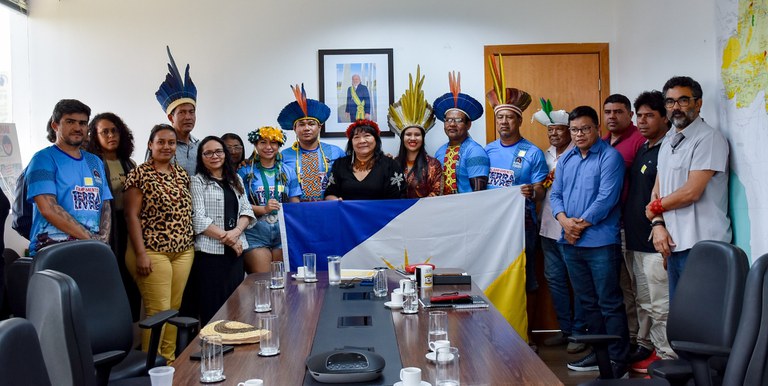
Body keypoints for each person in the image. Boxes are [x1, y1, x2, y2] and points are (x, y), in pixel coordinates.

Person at [550, 106, 629, 378]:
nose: (579, 134)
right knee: (587, 302)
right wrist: (563, 221)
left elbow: (606, 199)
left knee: (609, 302)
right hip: (570, 242)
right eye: (574, 130)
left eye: (584, 129)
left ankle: (619, 361)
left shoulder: (610, 157)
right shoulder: (568, 158)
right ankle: (599, 353)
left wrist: (577, 225)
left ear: (597, 128)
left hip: (600, 243)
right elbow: (555, 195)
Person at [646, 76, 731, 298]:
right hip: (674, 246)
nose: (676, 107)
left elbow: (691, 192)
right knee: (682, 321)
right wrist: (658, 225)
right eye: (670, 102)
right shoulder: (669, 139)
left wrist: (654, 208)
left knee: (704, 320)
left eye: (683, 100)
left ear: (698, 103)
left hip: (703, 246)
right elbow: (658, 187)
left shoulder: (708, 138)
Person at [124, 124, 194, 362]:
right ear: (150, 144)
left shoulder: (181, 174)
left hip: (183, 250)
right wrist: (141, 253)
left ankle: (170, 365)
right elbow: (130, 215)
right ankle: (151, 368)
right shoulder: (139, 174)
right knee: (158, 312)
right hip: (151, 251)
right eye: (161, 142)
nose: (166, 146)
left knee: (173, 311)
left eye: (171, 142)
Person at [624, 91, 675, 373]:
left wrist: (660, 228)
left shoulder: (668, 149)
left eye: (649, 116)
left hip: (656, 240)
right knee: (644, 302)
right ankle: (653, 349)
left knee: (661, 304)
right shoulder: (644, 147)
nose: (642, 121)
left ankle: (668, 358)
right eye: (639, 116)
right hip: (635, 240)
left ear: (664, 118)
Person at [533, 101, 586, 354]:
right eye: (550, 130)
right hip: (547, 227)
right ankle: (565, 330)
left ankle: (581, 332)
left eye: (559, 130)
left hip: (572, 229)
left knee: (577, 281)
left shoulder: (579, 153)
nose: (554, 134)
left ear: (570, 131)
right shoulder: (544, 155)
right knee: (555, 280)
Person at [26, 99, 112, 256]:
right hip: (53, 249)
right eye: (70, 122)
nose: (78, 128)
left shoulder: (95, 162)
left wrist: (102, 241)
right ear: (55, 125)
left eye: (82, 123)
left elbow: (105, 205)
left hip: (92, 248)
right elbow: (48, 208)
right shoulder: (43, 159)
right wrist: (91, 239)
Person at [188, 136, 255, 325]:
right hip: (210, 253)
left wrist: (235, 233)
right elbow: (198, 218)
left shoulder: (236, 179)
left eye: (218, 151)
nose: (214, 156)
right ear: (201, 157)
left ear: (225, 154)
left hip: (236, 252)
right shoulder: (197, 181)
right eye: (207, 153)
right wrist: (229, 238)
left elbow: (247, 210)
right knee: (213, 308)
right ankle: (214, 350)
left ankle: (234, 349)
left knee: (236, 305)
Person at [602, 94, 647, 362]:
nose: (612, 116)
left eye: (618, 111)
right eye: (607, 111)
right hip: (609, 227)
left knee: (639, 287)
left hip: (635, 225)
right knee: (621, 288)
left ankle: (644, 342)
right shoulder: (604, 142)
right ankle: (628, 339)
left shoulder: (638, 141)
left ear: (629, 114)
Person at [86, 112, 141, 321]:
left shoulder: (129, 163)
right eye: (105, 132)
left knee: (131, 278)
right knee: (110, 274)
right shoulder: (92, 163)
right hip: (106, 228)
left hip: (130, 225)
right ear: (95, 136)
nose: (111, 136)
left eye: (114, 131)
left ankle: (132, 328)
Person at [239, 126, 301, 273]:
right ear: (255, 145)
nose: (268, 147)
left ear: (279, 145)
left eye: (273, 142)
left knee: (284, 280)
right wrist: (264, 209)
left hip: (282, 233)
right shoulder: (245, 171)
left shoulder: (288, 171)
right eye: (262, 142)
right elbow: (240, 205)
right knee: (263, 280)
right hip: (255, 233)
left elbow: (294, 204)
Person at [278, 84, 345, 201]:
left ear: (319, 127)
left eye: (311, 123)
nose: (306, 128)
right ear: (294, 128)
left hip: (330, 209)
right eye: (301, 124)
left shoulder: (336, 152)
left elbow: (352, 174)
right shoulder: (283, 156)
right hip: (296, 212)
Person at [388, 66, 442, 198]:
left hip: (424, 215)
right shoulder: (393, 163)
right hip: (396, 216)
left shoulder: (433, 164)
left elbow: (437, 193)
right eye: (408, 134)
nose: (413, 138)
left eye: (417, 135)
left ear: (423, 138)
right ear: (402, 137)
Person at [433, 71, 489, 194]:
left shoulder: (475, 151)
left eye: (458, 120)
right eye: (448, 120)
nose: (452, 124)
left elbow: (480, 196)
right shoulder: (439, 152)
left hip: (467, 211)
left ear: (468, 124)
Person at [325, 120, 405, 200]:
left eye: (367, 135)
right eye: (356, 137)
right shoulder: (340, 164)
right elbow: (330, 193)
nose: (362, 141)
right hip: (346, 212)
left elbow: (398, 199)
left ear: (376, 140)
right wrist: (335, 201)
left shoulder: (390, 165)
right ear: (351, 142)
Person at [155, 46, 199, 176]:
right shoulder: (161, 144)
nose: (188, 117)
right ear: (170, 118)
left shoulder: (200, 146)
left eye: (191, 112)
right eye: (182, 112)